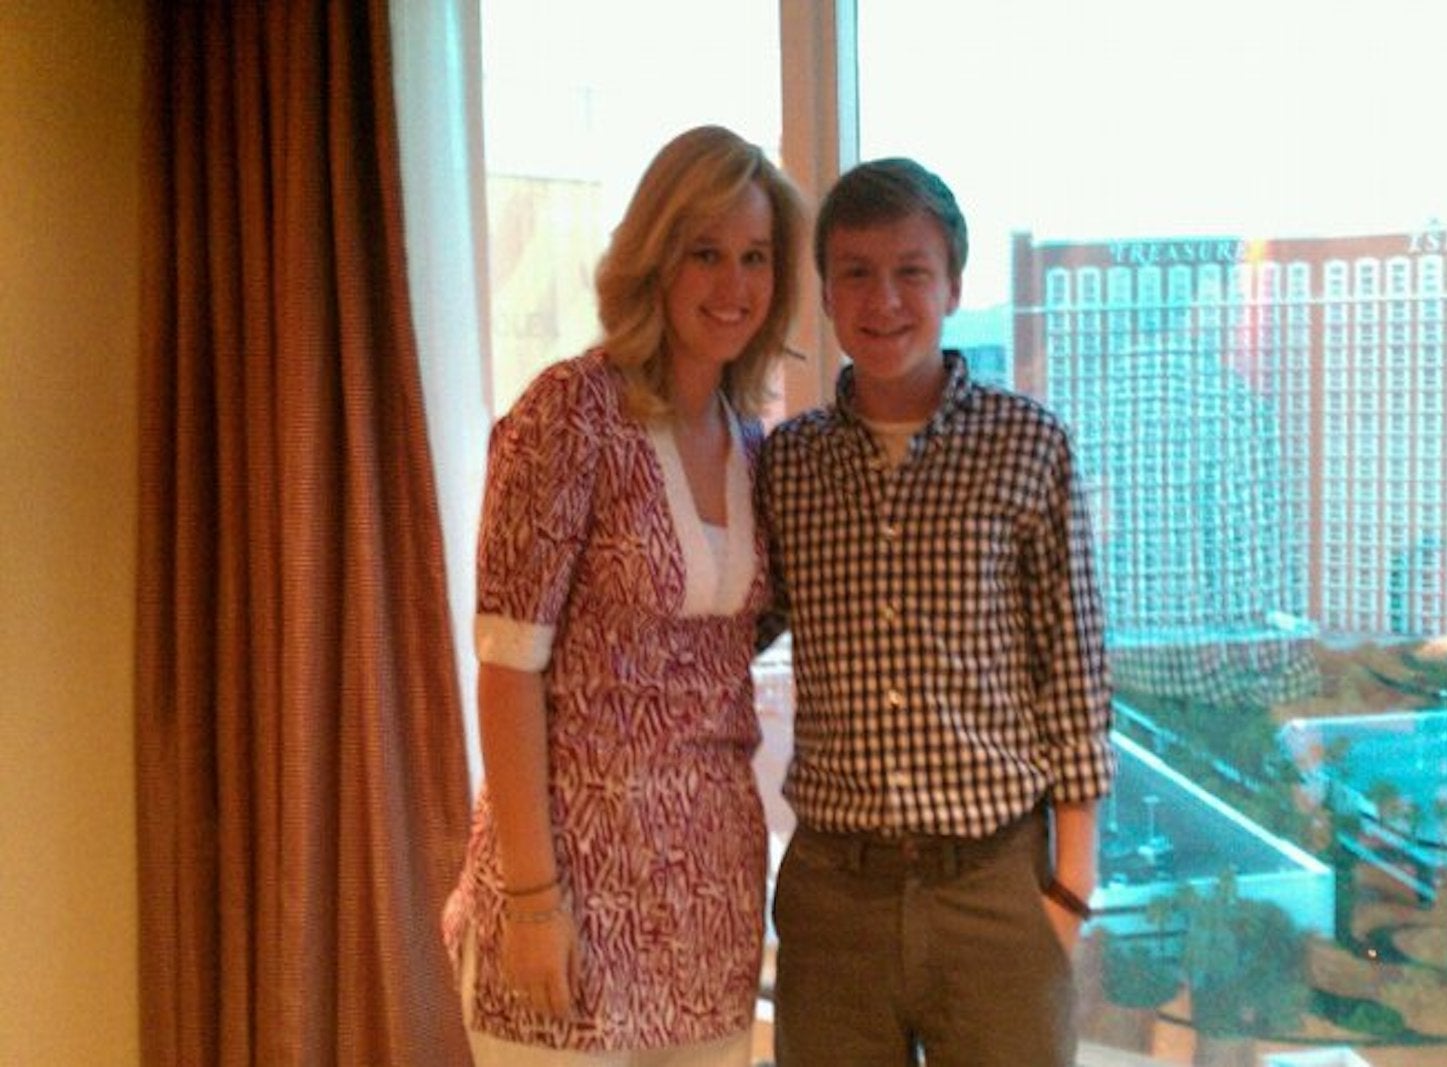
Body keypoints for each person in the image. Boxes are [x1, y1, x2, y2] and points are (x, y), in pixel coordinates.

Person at [442, 125, 806, 1067]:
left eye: (756, 257)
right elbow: (508, 672)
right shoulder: (570, 413)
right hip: (571, 889)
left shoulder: (754, 444)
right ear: (656, 258)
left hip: (712, 900)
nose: (734, 285)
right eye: (707, 253)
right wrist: (532, 901)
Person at [756, 157, 1116, 1066]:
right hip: (836, 895)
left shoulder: (1027, 442)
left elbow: (1072, 667)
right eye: (856, 273)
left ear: (953, 283)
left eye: (911, 271)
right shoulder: (788, 464)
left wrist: (1071, 885)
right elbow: (733, 628)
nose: (884, 300)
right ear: (826, 295)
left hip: (994, 887)